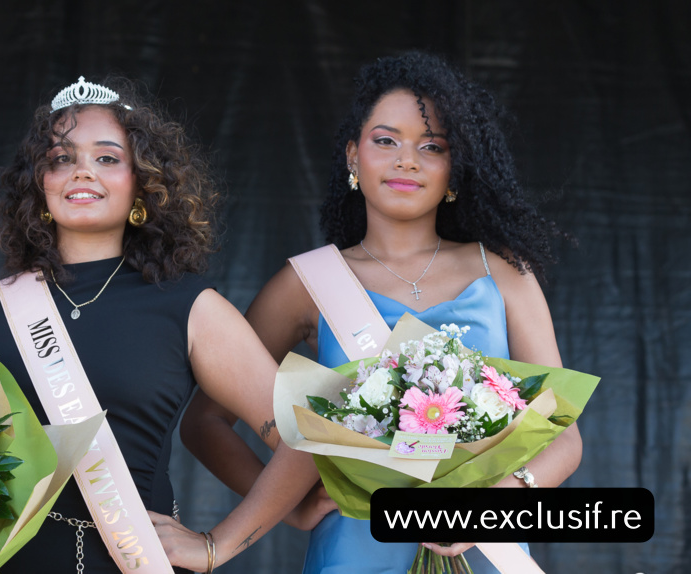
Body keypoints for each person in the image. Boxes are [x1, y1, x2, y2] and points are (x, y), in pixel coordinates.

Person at [180, 51, 583, 573]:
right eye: (386, 140)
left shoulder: (503, 272)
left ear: (454, 168)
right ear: (353, 155)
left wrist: (493, 506)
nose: (406, 160)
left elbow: (563, 434)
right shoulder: (306, 283)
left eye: (431, 146)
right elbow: (204, 421)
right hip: (353, 554)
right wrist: (292, 508)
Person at [0, 76, 316, 572]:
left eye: (107, 158)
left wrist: (217, 545)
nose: (82, 171)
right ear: (39, 183)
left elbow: (308, 438)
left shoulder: (189, 307)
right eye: (61, 158)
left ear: (143, 183)